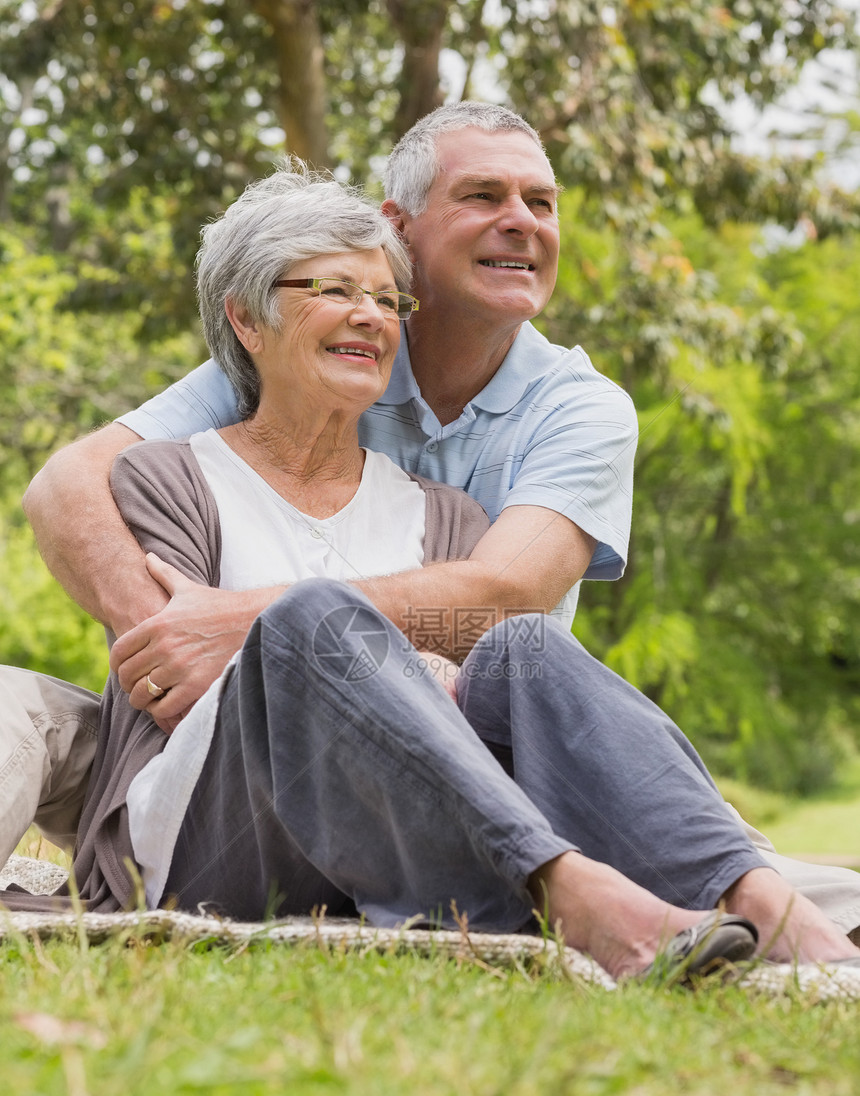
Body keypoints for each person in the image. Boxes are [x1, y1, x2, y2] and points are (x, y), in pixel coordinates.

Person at [7, 102, 860, 941]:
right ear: (252, 318)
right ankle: (580, 894)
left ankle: (763, 903)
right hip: (212, 820)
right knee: (306, 618)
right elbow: (65, 488)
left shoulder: (512, 463)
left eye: (542, 202)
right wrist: (169, 645)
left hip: (461, 785)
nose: (522, 222)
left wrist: (248, 625)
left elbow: (502, 598)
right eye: (484, 196)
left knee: (501, 641)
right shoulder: (184, 460)